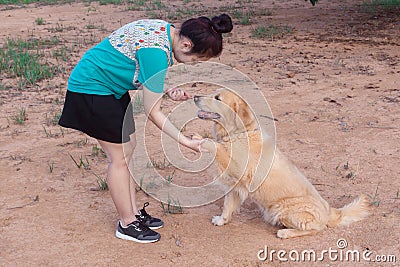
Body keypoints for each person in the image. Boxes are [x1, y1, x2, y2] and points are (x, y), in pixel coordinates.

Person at [58, 14, 233, 243]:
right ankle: (126, 223)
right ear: (186, 44)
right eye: (196, 59)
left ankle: (132, 212)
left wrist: (166, 89)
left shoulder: (167, 32)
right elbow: (153, 111)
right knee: (118, 158)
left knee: (129, 148)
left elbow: (141, 68)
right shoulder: (157, 52)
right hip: (91, 89)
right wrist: (185, 141)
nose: (193, 65)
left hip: (110, 88)